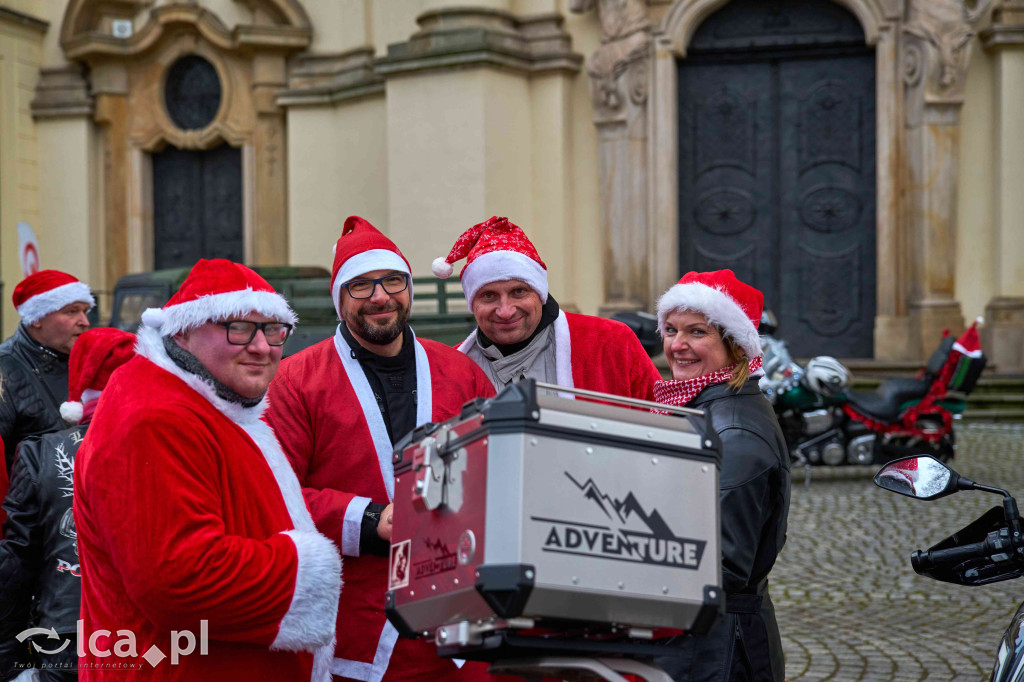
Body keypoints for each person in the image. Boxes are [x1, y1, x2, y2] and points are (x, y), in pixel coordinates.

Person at [73, 259, 341, 681]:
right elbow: (178, 577)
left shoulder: (208, 405)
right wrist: (306, 569)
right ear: (183, 330)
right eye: (238, 327)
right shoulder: (153, 418)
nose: (261, 347)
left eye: (273, 330)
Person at [266, 216, 497, 682]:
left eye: (393, 281)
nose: (380, 296)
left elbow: (498, 469)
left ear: (408, 289)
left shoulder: (459, 370)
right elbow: (275, 493)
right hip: (356, 623)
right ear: (339, 299)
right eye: (361, 286)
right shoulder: (296, 380)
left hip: (457, 619)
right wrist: (371, 521)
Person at [650, 269, 790, 682]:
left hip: (718, 652)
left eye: (697, 332)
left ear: (735, 345)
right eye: (671, 329)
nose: (678, 345)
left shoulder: (734, 434)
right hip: (703, 641)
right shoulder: (705, 408)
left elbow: (721, 565)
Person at [0, 328, 135, 680]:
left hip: (67, 632)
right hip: (163, 636)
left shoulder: (40, 452)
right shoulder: (181, 445)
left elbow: (16, 563)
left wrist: (7, 661)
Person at [432, 216, 660, 399]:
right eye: (488, 296)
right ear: (473, 304)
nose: (505, 310)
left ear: (539, 293)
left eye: (518, 292)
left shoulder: (610, 342)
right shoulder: (447, 370)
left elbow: (664, 424)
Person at [0, 270, 94, 471]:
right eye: (71, 311)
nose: (85, 322)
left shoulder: (90, 362)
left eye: (85, 311)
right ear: (37, 318)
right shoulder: (5, 369)